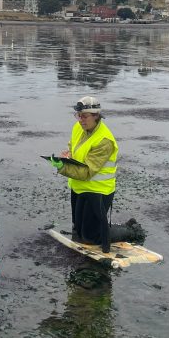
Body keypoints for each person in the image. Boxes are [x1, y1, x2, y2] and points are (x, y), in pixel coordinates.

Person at [49, 96, 118, 251]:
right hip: (79, 186)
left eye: (84, 116)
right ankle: (93, 229)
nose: (80, 120)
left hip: (98, 190)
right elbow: (73, 146)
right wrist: (69, 156)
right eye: (78, 116)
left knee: (90, 237)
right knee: (78, 230)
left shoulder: (104, 140)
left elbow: (87, 172)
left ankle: (128, 230)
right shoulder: (78, 127)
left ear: (96, 116)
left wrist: (62, 167)